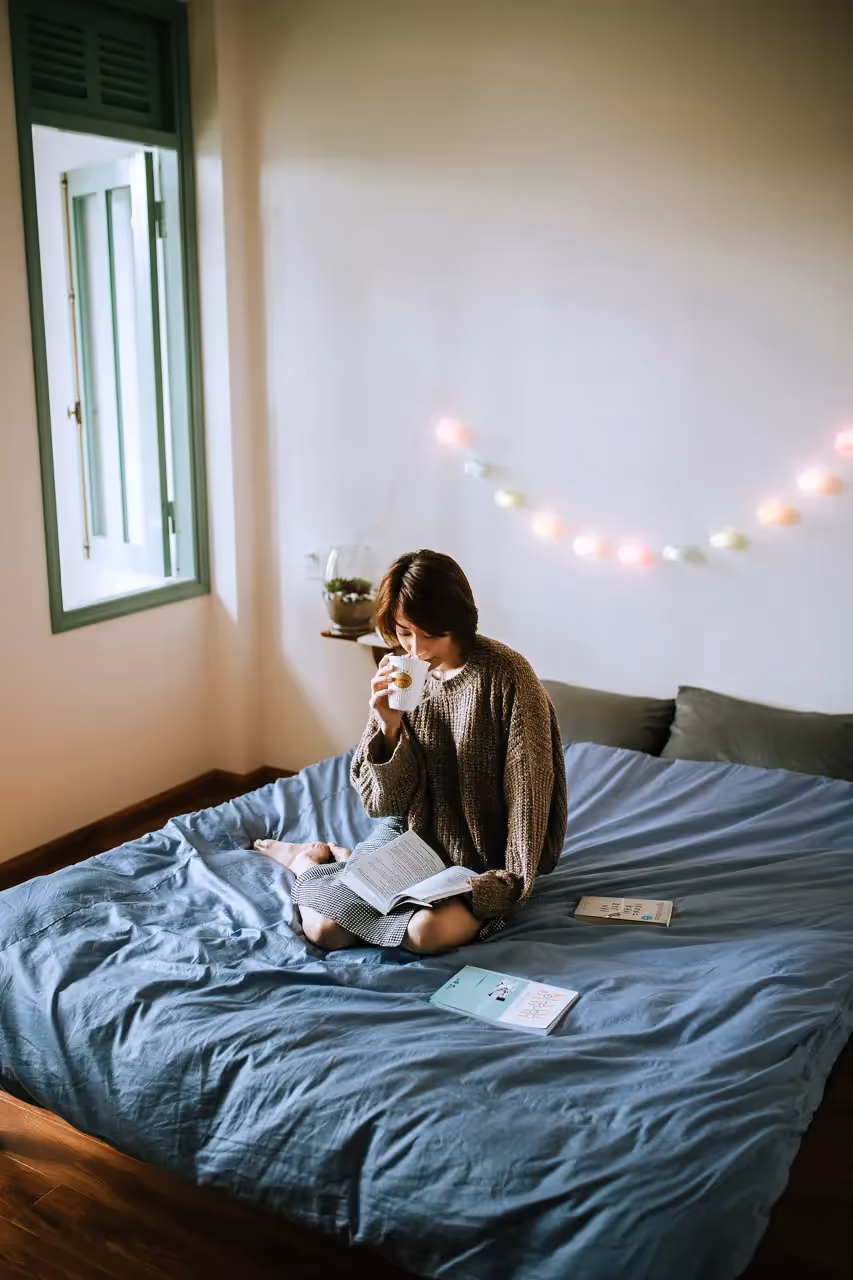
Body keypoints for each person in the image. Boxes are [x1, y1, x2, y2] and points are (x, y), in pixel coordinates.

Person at [254, 549, 567, 954]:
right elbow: (381, 803)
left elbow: (529, 795)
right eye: (404, 633)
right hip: (409, 839)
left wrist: (510, 882)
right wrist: (387, 724)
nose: (415, 649)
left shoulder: (508, 676)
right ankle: (308, 864)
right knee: (326, 930)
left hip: (479, 860)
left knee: (425, 934)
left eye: (430, 634)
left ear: (458, 621)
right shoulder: (401, 672)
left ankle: (344, 865)